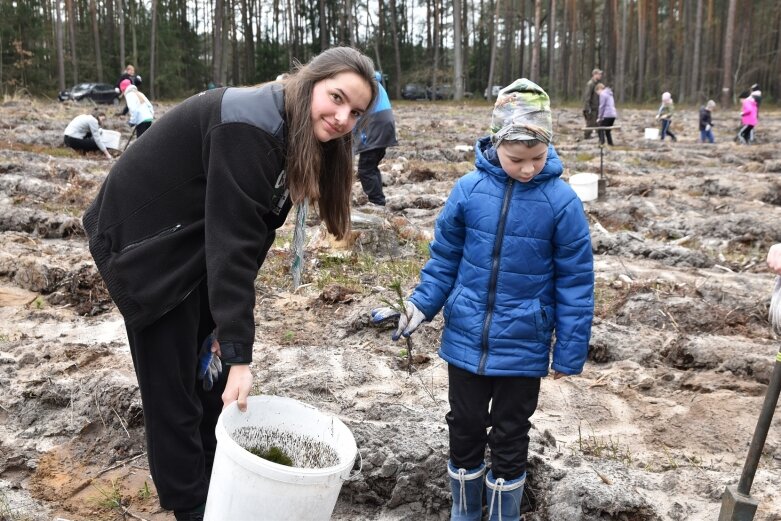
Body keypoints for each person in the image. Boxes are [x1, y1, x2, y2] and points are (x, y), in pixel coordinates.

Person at [82, 47, 377, 521]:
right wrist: (240, 353)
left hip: (191, 240)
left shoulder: (291, 127)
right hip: (145, 245)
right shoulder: (251, 128)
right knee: (173, 390)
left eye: (356, 112)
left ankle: (216, 483)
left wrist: (223, 330)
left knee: (206, 379)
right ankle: (191, 506)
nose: (343, 118)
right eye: (336, 98)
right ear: (311, 82)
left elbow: (255, 231)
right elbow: (232, 244)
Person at [371, 79, 594, 521]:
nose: (528, 168)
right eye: (517, 159)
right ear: (496, 145)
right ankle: (465, 510)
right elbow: (444, 259)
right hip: (466, 338)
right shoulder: (469, 191)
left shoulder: (562, 202)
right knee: (465, 425)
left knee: (511, 434)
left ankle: (504, 513)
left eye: (538, 157)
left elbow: (576, 283)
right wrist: (421, 304)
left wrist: (569, 349)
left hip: (524, 344)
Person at [353, 71, 398, 206]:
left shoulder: (364, 84)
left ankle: (377, 203)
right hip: (385, 123)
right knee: (371, 167)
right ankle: (378, 201)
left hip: (374, 124)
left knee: (366, 168)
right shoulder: (375, 82)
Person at [582, 68, 603, 139]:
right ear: (594, 75)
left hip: (596, 108)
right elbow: (587, 97)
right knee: (590, 124)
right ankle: (586, 137)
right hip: (591, 108)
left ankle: (599, 137)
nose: (600, 75)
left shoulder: (597, 84)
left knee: (597, 123)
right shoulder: (590, 84)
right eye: (599, 74)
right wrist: (587, 109)